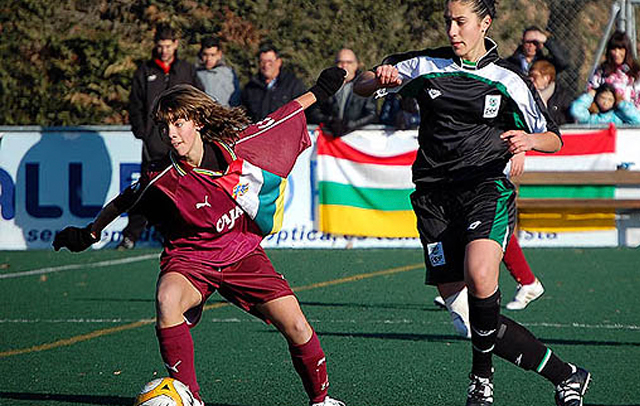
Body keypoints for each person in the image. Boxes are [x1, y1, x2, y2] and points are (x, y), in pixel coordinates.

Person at [53, 67, 348, 406]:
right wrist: (90, 233)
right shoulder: (161, 176)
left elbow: (284, 115)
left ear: (198, 123)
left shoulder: (240, 147)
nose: (171, 133)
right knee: (167, 300)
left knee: (296, 325)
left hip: (242, 254)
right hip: (190, 259)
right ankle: (189, 397)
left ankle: (321, 400)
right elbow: (124, 200)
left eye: (178, 123)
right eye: (165, 126)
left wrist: (320, 90)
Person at [353, 1, 590, 405]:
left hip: (485, 187)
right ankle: (566, 374)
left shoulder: (508, 79)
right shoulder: (424, 66)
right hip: (432, 199)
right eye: (448, 21)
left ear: (484, 23)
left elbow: (553, 136)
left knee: (481, 275)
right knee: (468, 318)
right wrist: (377, 79)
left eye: (460, 22)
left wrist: (530, 141)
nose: (452, 31)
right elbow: (359, 83)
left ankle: (481, 379)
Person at [124, 23, 204, 250]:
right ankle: (131, 235)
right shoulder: (144, 71)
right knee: (147, 188)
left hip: (183, 143)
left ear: (176, 45)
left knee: (186, 189)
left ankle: (182, 233)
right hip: (155, 143)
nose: (164, 51)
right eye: (160, 46)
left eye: (168, 46)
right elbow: (135, 104)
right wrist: (144, 132)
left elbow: (199, 99)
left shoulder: (186, 70)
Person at [309, 48, 377, 136]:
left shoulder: (365, 86)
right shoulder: (325, 85)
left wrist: (351, 125)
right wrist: (329, 121)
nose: (344, 65)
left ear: (356, 65)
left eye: (349, 62)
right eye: (340, 62)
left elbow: (372, 114)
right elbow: (313, 111)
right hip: (327, 138)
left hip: (357, 139)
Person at [241, 41, 306, 121]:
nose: (266, 65)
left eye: (270, 62)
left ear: (279, 62)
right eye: (262, 62)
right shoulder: (251, 88)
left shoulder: (293, 85)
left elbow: (304, 113)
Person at [588, 31, 640, 109]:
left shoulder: (635, 72)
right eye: (613, 49)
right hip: (604, 114)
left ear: (627, 50)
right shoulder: (602, 71)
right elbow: (591, 90)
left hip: (629, 116)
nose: (616, 53)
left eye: (620, 49)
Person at [196, 36, 241, 107]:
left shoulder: (229, 74)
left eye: (212, 55)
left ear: (219, 55)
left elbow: (236, 98)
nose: (208, 59)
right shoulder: (195, 74)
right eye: (205, 55)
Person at [529, 59, 574, 126]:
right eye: (530, 76)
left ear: (547, 78)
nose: (531, 79)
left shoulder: (562, 96)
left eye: (535, 76)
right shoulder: (527, 94)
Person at [570, 83, 640, 125]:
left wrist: (622, 104)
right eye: (602, 98)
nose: (605, 103)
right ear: (596, 97)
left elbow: (637, 120)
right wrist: (589, 96)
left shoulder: (618, 116)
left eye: (610, 100)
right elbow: (576, 111)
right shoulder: (591, 116)